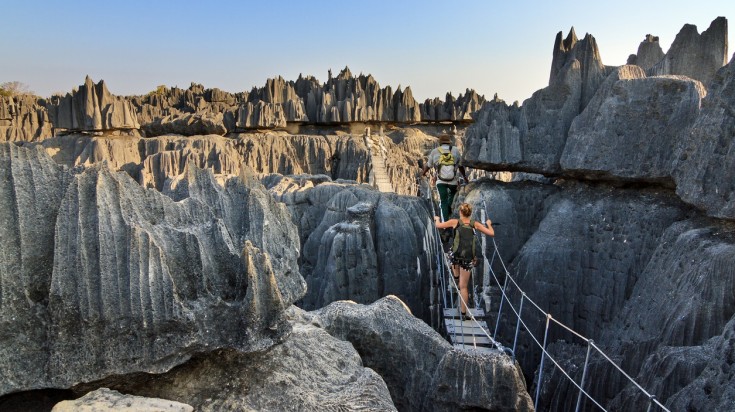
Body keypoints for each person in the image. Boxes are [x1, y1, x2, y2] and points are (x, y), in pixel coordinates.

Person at [434, 203, 494, 319]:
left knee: (450, 254)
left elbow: (438, 226)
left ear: (460, 213)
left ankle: (456, 276)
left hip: (456, 256)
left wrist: (437, 219)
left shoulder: (454, 222)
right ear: (470, 213)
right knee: (464, 287)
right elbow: (491, 233)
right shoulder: (474, 224)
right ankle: (463, 313)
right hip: (468, 259)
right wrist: (489, 224)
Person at [420, 133, 468, 222]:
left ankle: (446, 223)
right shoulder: (455, 150)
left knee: (443, 201)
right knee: (453, 195)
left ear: (440, 143)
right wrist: (465, 177)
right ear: (449, 143)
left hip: (440, 181)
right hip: (453, 180)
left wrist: (423, 173)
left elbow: (428, 165)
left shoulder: (435, 151)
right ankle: (449, 208)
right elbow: (460, 165)